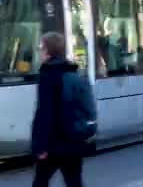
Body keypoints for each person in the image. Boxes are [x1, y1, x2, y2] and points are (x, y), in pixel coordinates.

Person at [31, 32, 97, 187]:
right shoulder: (74, 74)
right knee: (74, 182)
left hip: (54, 143)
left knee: (40, 182)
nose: (39, 51)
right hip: (74, 140)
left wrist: (40, 146)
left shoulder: (48, 75)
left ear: (48, 51)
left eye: (41, 47)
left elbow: (45, 113)